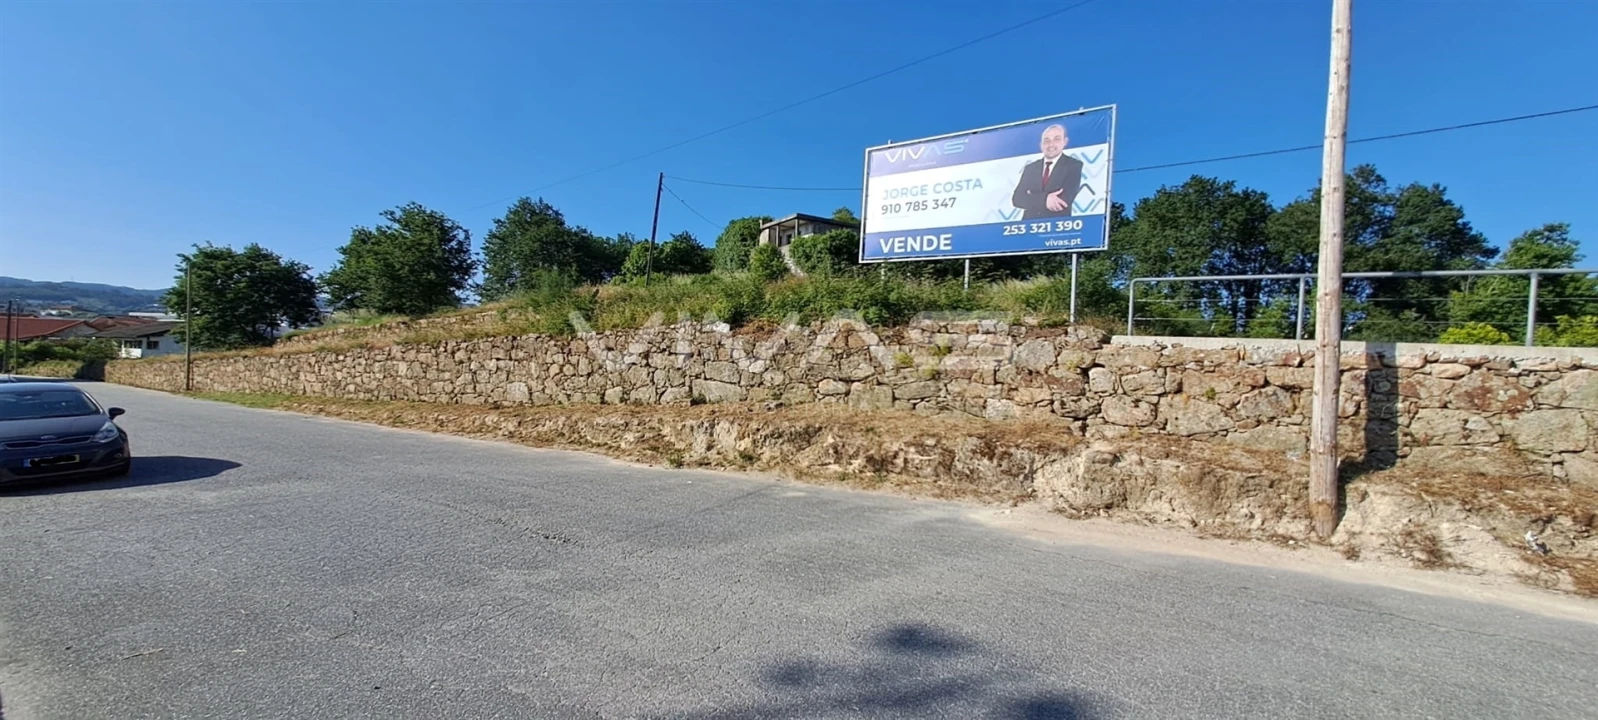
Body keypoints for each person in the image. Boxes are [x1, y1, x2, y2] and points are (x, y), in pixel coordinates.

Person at [1010, 124, 1083, 219]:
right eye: (1046, 140)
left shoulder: (1073, 165)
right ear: (1041, 145)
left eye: (1056, 139)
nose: (1051, 144)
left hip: (1056, 228)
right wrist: (1045, 200)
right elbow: (1017, 199)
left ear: (1065, 142)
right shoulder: (1030, 168)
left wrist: (1032, 197)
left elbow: (1063, 200)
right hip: (1029, 227)